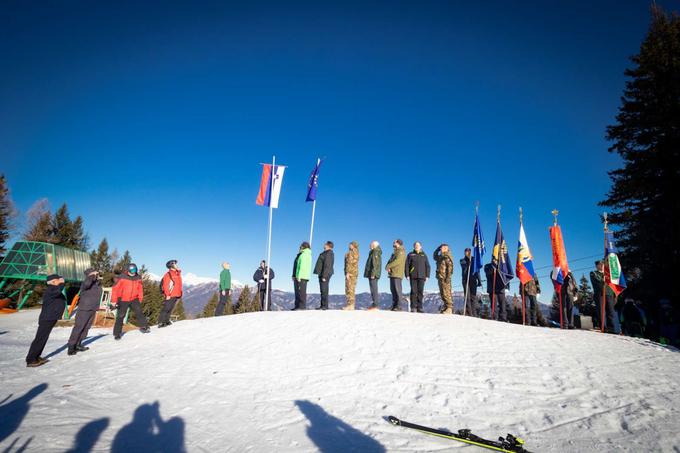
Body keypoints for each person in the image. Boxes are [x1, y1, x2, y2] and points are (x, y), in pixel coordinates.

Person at [26, 274, 66, 367]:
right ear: (53, 282)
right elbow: (58, 290)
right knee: (40, 339)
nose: (60, 280)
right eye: (58, 280)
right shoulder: (51, 289)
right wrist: (62, 283)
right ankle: (31, 360)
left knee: (43, 338)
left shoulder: (53, 289)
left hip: (50, 318)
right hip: (47, 318)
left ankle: (36, 356)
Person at [67, 268, 103, 355]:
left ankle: (78, 344)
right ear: (90, 275)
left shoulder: (96, 284)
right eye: (95, 274)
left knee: (86, 327)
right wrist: (92, 276)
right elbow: (87, 284)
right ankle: (71, 346)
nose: (97, 275)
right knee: (79, 327)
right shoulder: (86, 282)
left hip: (92, 308)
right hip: (84, 309)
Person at [112, 263, 150, 340]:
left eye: (135, 270)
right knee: (121, 316)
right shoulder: (122, 277)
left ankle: (144, 326)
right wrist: (114, 300)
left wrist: (140, 298)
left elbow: (140, 288)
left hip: (134, 298)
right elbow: (115, 289)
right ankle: (117, 333)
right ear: (128, 270)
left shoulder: (138, 277)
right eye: (132, 270)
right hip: (123, 299)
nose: (134, 272)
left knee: (139, 312)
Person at [590, 260, 621, 334]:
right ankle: (602, 327)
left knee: (610, 311)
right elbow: (597, 282)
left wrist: (614, 295)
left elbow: (612, 285)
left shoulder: (608, 274)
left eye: (602, 264)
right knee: (601, 311)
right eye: (600, 264)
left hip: (609, 294)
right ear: (597, 266)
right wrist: (603, 279)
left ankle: (611, 328)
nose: (602, 266)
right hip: (600, 294)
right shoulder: (593, 273)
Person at [406, 242, 431, 313]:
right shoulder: (410, 254)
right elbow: (407, 265)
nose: (416, 246)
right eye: (415, 245)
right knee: (413, 292)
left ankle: (420, 307)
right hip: (412, 276)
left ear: (421, 246)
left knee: (420, 292)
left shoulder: (424, 255)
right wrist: (407, 274)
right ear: (413, 247)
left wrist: (427, 275)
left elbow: (428, 266)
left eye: (418, 245)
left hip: (422, 276)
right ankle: (413, 307)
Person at [158, 260, 182, 328]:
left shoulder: (177, 273)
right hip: (170, 294)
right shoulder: (168, 274)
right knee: (166, 308)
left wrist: (180, 293)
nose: (176, 265)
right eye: (175, 264)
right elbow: (165, 285)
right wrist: (167, 294)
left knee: (170, 308)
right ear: (171, 265)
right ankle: (161, 322)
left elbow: (178, 284)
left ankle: (166, 320)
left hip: (176, 294)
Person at [385, 239, 406, 311]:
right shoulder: (395, 252)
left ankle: (399, 306)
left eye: (394, 242)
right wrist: (387, 266)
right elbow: (390, 260)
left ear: (398, 243)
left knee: (397, 290)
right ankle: (394, 305)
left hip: (397, 273)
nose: (393, 243)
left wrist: (389, 266)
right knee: (393, 290)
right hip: (392, 273)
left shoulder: (401, 251)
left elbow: (398, 261)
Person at [460, 248, 481, 317]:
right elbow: (464, 267)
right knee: (467, 297)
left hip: (473, 280)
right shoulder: (462, 260)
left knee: (473, 297)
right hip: (466, 280)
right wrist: (468, 262)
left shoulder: (474, 260)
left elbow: (477, 271)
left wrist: (479, 281)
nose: (467, 253)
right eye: (466, 252)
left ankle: (474, 313)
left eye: (468, 252)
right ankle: (469, 313)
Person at [433, 244, 454, 314]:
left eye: (442, 248)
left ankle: (449, 308)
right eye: (441, 248)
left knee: (446, 293)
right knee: (442, 293)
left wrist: (448, 278)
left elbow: (450, 268)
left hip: (445, 278)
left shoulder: (447, 257)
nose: (441, 249)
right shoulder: (440, 257)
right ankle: (445, 306)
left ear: (446, 249)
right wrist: (437, 249)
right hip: (440, 277)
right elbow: (434, 256)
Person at [314, 241, 335, 310]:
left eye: (325, 244)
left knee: (324, 289)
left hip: (325, 274)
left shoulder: (329, 253)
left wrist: (324, 276)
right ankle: (323, 305)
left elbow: (327, 265)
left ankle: (324, 306)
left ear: (328, 246)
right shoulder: (326, 253)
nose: (324, 245)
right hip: (322, 273)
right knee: (322, 289)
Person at [292, 242, 312, 310]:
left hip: (302, 276)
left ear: (303, 247)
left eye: (300, 247)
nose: (299, 248)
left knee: (301, 292)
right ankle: (297, 306)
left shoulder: (305, 255)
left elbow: (302, 266)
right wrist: (294, 275)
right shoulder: (301, 255)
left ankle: (302, 306)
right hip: (298, 275)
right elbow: (296, 266)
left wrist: (299, 276)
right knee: (297, 292)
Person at [363, 241, 382, 310]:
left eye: (370, 244)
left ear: (374, 245)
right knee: (373, 288)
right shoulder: (374, 252)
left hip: (373, 274)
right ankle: (374, 304)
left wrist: (373, 273)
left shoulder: (375, 252)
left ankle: (375, 305)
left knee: (374, 289)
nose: (369, 245)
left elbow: (375, 263)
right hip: (372, 273)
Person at [342, 242, 359, 310]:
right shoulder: (350, 253)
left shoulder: (353, 253)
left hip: (351, 273)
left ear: (354, 246)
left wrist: (348, 272)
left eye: (351, 244)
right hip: (351, 273)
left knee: (350, 288)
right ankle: (350, 304)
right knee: (349, 288)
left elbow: (350, 263)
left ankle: (351, 305)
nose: (349, 245)